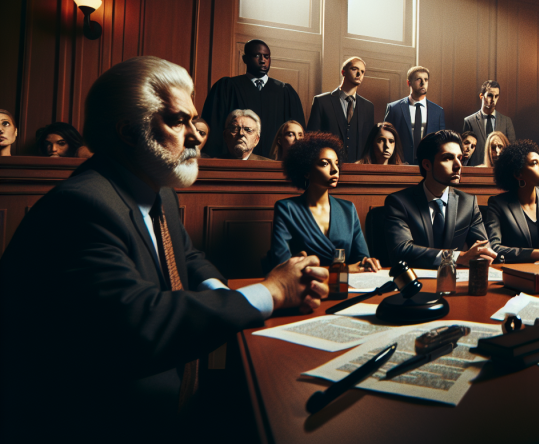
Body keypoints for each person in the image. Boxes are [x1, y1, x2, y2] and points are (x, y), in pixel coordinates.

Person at [0, 56, 328, 442]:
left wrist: (238, 298)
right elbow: (141, 322)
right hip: (96, 423)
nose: (196, 135)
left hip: (173, 396)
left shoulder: (159, 191)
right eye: (177, 121)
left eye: (194, 120)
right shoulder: (81, 206)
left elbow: (186, 258)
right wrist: (270, 292)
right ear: (127, 131)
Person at [261, 132, 379, 274]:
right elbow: (282, 265)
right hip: (304, 289)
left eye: (336, 163)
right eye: (324, 163)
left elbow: (361, 258)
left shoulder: (348, 209)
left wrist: (367, 262)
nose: (335, 170)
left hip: (346, 287)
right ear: (306, 171)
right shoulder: (287, 209)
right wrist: (346, 269)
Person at [382, 130, 496, 269]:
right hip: (416, 282)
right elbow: (401, 251)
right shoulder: (399, 203)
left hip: (458, 283)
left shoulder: (468, 203)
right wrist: (457, 257)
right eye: (448, 158)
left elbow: (483, 250)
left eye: (459, 158)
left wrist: (478, 254)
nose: (458, 165)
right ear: (427, 165)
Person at [201, 39, 305, 158]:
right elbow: (214, 130)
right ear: (245, 59)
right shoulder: (226, 88)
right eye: (257, 56)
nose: (262, 60)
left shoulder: (285, 92)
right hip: (235, 162)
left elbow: (297, 131)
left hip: (276, 164)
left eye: (266, 56)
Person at [307, 56, 375, 162]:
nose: (359, 74)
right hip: (327, 167)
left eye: (362, 72)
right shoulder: (322, 102)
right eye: (354, 69)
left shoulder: (368, 107)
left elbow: (369, 143)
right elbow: (311, 139)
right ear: (343, 72)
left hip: (358, 170)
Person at [384, 66, 446, 166]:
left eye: (426, 79)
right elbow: (385, 136)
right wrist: (396, 160)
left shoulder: (438, 111)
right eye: (418, 79)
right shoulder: (394, 108)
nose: (423, 83)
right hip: (400, 163)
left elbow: (442, 142)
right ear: (409, 83)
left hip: (429, 164)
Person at [462, 80, 516, 166]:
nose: (493, 100)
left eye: (496, 96)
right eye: (490, 95)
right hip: (476, 170)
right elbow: (465, 151)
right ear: (481, 96)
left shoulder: (506, 121)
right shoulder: (469, 121)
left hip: (500, 171)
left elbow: (512, 150)